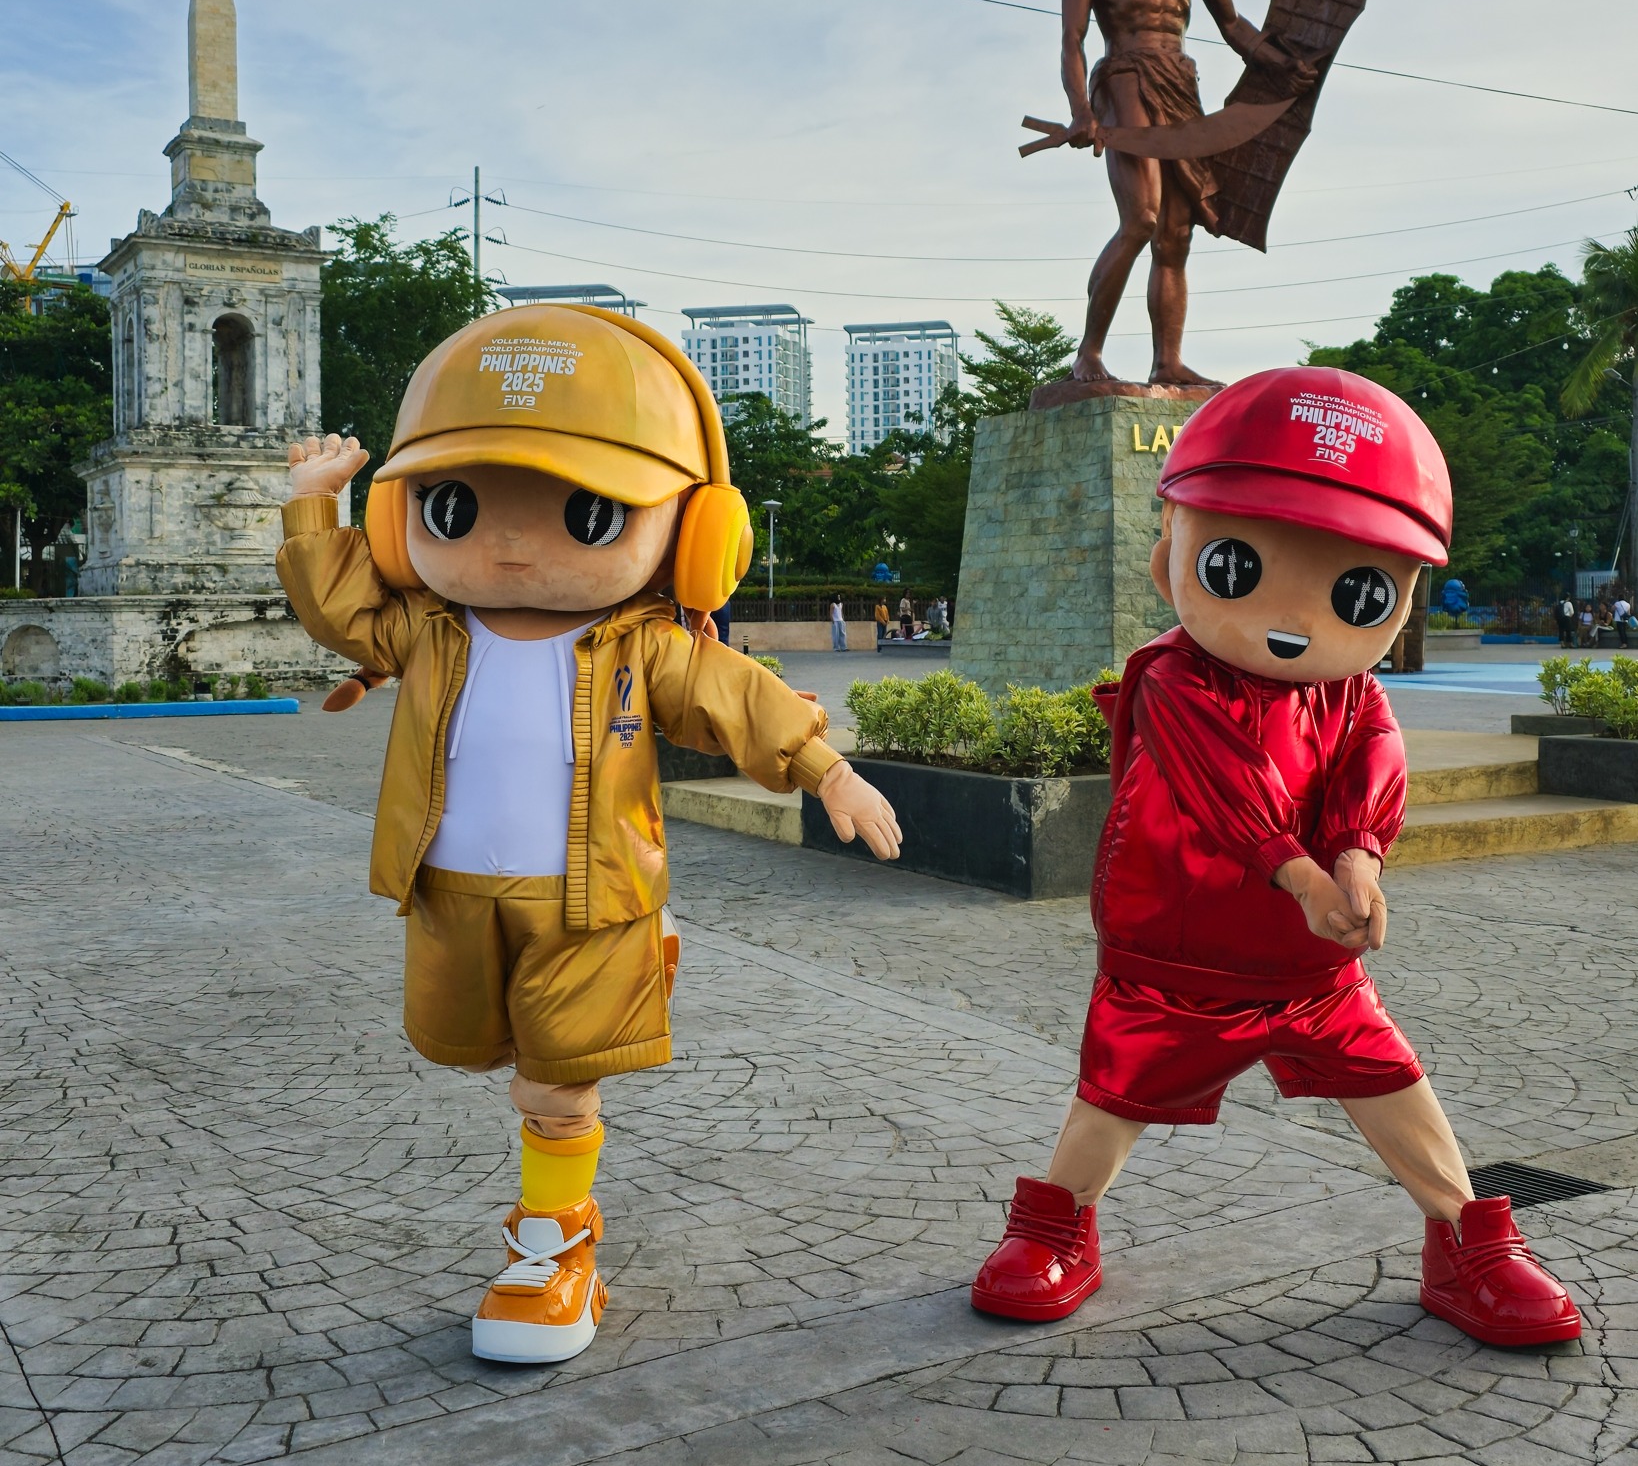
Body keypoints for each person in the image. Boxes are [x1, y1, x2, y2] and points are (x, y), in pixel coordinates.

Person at [278, 305, 901, 1366]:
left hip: (594, 899)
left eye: (588, 512)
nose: (511, 542)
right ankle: (554, 1226)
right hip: (448, 891)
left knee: (555, 1083)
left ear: (696, 537)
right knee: (479, 1051)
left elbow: (731, 693)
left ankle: (554, 1245)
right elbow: (341, 610)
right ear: (399, 517)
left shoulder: (641, 644)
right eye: (457, 505)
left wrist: (821, 766)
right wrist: (311, 507)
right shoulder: (425, 628)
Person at [970, 366, 1582, 1349]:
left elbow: (1370, 763)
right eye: (1234, 567)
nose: (1295, 623)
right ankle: (1057, 1225)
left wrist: (1360, 857)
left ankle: (1465, 1239)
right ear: (1170, 545)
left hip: (1309, 963)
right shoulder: (1173, 677)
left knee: (1391, 1081)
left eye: (1359, 592)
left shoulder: (1352, 692)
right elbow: (1224, 784)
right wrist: (1300, 872)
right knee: (1115, 1092)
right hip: (1179, 951)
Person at [1058, 0, 1316, 387]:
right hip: (1124, 76)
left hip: (1180, 79)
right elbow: (1072, 39)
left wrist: (1280, 66)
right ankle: (1088, 354)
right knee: (1141, 218)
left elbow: (1233, 25)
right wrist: (1081, 110)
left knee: (1176, 232)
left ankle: (1167, 361)